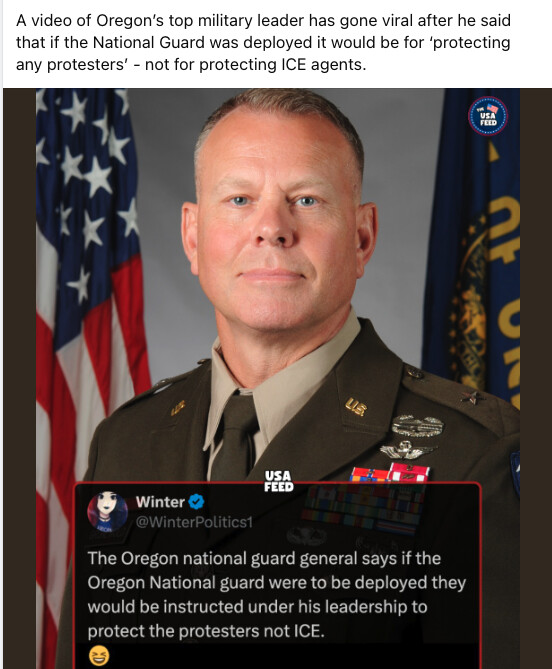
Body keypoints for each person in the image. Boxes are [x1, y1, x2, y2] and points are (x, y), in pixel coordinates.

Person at [56, 89, 519, 667]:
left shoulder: (473, 457)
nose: (271, 228)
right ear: (193, 237)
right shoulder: (126, 442)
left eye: (306, 199)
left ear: (362, 237)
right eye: (240, 199)